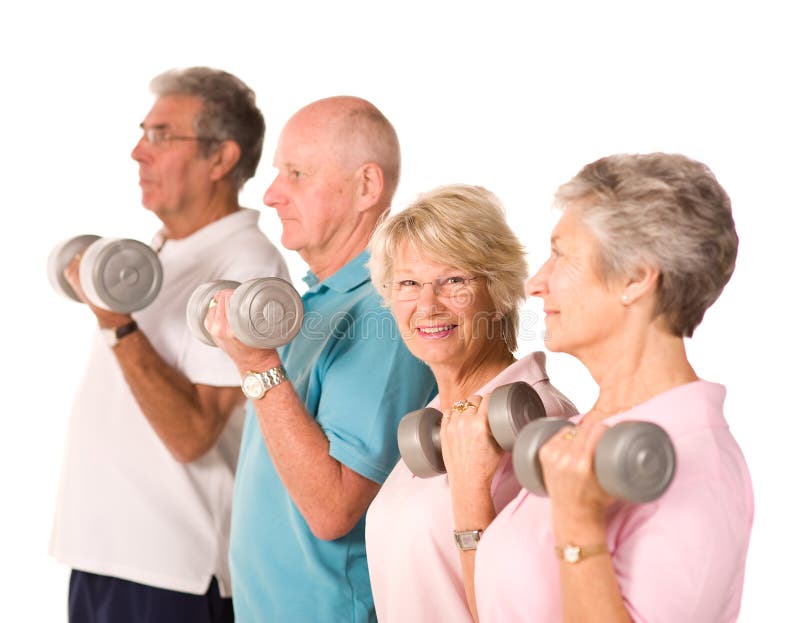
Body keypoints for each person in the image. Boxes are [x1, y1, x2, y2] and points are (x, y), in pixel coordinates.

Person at [449, 153, 754, 622]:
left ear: (635, 277)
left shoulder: (697, 464)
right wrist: (471, 493)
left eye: (562, 255)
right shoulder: (577, 435)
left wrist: (577, 524)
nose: (535, 283)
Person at [50, 67, 289, 623]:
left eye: (161, 135)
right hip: (99, 557)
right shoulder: (160, 250)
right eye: (142, 132)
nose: (138, 151)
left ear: (221, 159)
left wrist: (116, 322)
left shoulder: (247, 266)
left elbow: (192, 433)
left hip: (172, 576)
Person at [202, 96, 437, 622]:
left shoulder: (385, 314)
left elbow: (333, 510)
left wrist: (256, 365)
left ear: (367, 187)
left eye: (297, 173)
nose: (271, 194)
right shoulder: (314, 303)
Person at [363, 184, 577, 622]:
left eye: (454, 281)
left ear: (499, 293)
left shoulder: (541, 427)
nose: (427, 305)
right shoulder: (435, 425)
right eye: (408, 283)